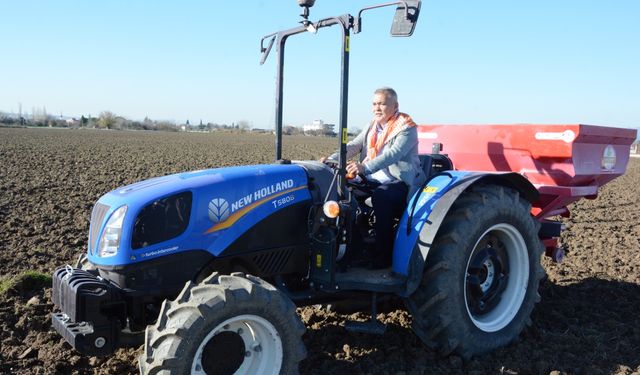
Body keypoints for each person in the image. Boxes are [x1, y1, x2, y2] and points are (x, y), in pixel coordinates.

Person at [323, 87, 426, 268]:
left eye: (382, 104)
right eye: (374, 104)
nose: (377, 108)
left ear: (395, 106)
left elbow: (393, 154)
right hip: (373, 178)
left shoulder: (407, 128)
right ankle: (353, 249)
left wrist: (365, 167)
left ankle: (382, 256)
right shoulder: (372, 126)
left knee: (382, 196)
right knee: (344, 193)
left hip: (399, 181)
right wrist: (332, 159)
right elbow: (354, 145)